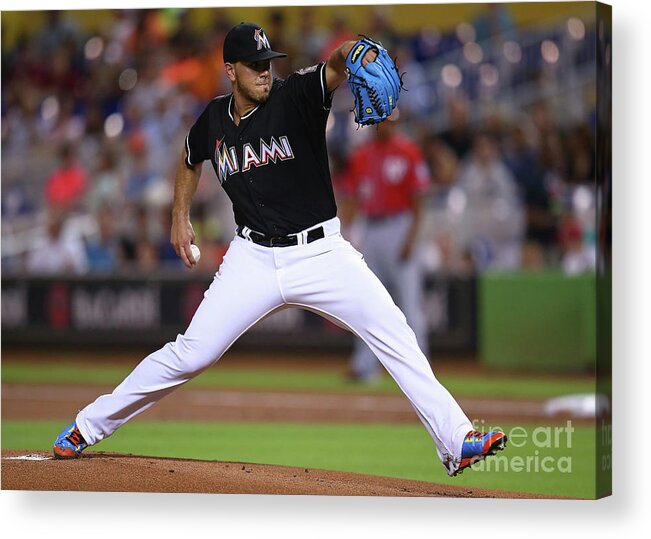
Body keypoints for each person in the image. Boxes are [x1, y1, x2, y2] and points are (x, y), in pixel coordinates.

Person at [53, 22, 506, 477]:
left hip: (322, 253)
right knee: (191, 353)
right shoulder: (212, 119)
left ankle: (457, 439)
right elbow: (190, 160)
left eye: (268, 64)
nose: (265, 73)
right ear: (230, 70)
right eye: (254, 67)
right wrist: (179, 216)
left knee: (394, 331)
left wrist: (354, 53)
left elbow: (333, 65)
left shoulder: (297, 97)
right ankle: (85, 427)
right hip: (252, 258)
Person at [339, 112, 431, 384]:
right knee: (368, 302)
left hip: (399, 225)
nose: (386, 126)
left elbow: (419, 200)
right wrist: (349, 232)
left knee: (410, 305)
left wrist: (411, 238)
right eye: (382, 121)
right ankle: (364, 366)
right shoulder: (361, 155)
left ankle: (421, 372)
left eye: (391, 121)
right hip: (371, 229)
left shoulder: (408, 151)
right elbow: (352, 198)